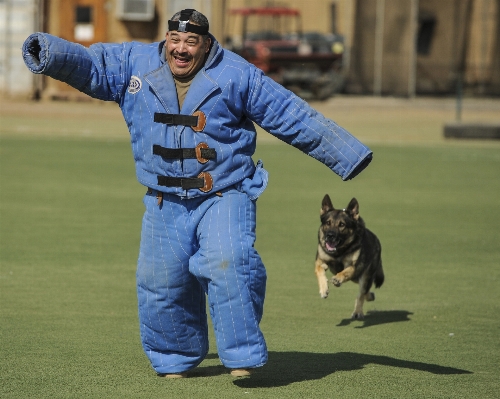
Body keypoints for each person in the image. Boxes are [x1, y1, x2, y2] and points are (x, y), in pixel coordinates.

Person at [22, 9, 372, 378]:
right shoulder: (133, 64)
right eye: (175, 40)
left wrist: (347, 155)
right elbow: (91, 64)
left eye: (191, 42)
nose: (181, 49)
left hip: (224, 193)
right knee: (161, 281)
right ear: (166, 41)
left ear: (206, 44)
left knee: (230, 262)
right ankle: (175, 356)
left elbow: (290, 114)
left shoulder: (237, 74)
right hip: (163, 199)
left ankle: (241, 357)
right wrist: (47, 51)